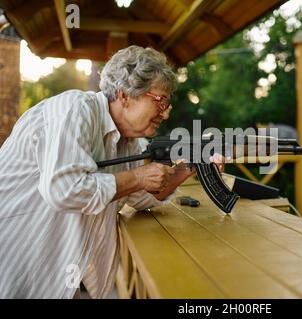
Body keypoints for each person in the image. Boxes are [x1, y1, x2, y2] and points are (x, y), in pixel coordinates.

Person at [0, 46, 223, 298]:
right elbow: (65, 190)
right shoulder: (74, 109)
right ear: (125, 94)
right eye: (160, 100)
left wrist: (190, 167)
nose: (167, 111)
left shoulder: (128, 140)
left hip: (54, 273)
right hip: (13, 262)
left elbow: (141, 197)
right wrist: (139, 177)